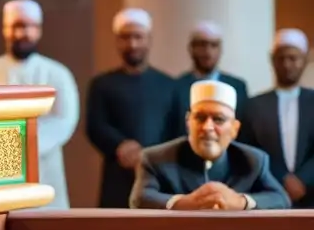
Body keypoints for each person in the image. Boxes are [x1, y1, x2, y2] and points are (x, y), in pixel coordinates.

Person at [0, 0, 78, 209]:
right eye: (16, 26)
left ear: (38, 30)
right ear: (5, 29)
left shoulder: (58, 74)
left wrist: (25, 146)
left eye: (28, 27)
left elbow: (64, 120)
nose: (21, 34)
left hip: (44, 171)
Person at [130, 80, 289, 210]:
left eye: (218, 119)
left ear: (234, 129)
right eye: (200, 118)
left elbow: (280, 199)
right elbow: (140, 198)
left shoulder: (253, 160)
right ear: (188, 123)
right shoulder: (156, 158)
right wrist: (185, 203)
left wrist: (240, 202)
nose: (207, 127)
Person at [86, 8, 178, 207]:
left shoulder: (170, 85)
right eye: (126, 38)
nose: (132, 44)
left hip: (159, 177)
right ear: (117, 41)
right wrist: (120, 146)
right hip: (117, 176)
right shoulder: (102, 84)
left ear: (149, 39)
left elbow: (177, 131)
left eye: (138, 37)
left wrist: (151, 156)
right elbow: (95, 126)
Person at [239, 28, 314, 208]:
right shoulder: (253, 106)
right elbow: (249, 150)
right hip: (269, 196)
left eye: (293, 58)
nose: (287, 64)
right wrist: (283, 178)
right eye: (281, 58)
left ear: (305, 60)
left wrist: (303, 179)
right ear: (272, 61)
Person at [171, 21, 249, 135]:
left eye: (213, 45)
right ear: (191, 48)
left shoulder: (237, 87)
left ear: (220, 49)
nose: (207, 52)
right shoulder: (176, 88)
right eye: (202, 45)